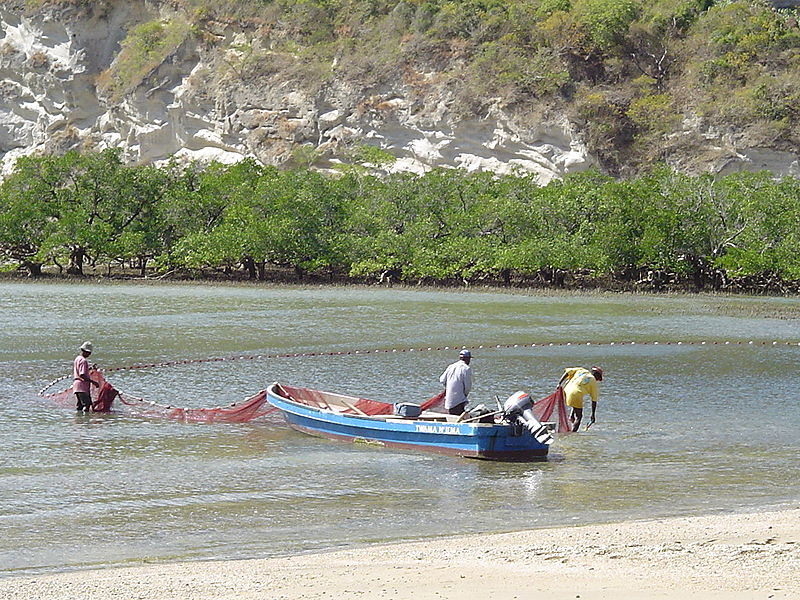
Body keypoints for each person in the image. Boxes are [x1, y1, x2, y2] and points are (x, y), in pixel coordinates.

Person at [558, 366, 603, 432]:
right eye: (598, 378)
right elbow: (594, 400)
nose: (597, 380)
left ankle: (571, 416)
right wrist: (592, 415)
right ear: (596, 375)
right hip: (575, 394)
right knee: (579, 417)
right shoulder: (593, 380)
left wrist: (559, 383)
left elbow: (567, 372)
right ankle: (573, 434)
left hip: (566, 390)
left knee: (578, 401)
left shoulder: (582, 370)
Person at [439, 349, 473, 415]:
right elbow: (467, 386)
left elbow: (442, 380)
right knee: (458, 415)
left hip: (448, 400)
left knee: (452, 414)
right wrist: (465, 394)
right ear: (467, 359)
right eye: (469, 359)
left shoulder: (451, 366)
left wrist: (448, 387)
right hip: (459, 400)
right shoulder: (466, 368)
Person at [73, 341, 99, 412]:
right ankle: (85, 421)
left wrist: (90, 368)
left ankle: (79, 421)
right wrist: (93, 382)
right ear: (85, 351)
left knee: (80, 405)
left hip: (76, 386)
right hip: (82, 386)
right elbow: (82, 374)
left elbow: (81, 370)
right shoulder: (84, 361)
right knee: (86, 405)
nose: (89, 355)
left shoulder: (77, 358)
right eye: (89, 353)